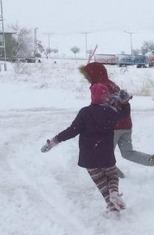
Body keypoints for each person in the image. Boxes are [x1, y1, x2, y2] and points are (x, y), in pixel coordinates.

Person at [41, 83, 129, 213]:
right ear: (106, 97)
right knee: (112, 176)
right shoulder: (110, 112)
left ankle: (112, 207)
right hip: (106, 154)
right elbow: (124, 114)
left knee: (100, 182)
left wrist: (54, 141)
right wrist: (125, 102)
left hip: (89, 157)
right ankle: (114, 194)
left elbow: (72, 131)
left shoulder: (85, 113)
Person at [80, 61, 154, 177]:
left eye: (88, 76)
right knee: (127, 153)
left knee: (102, 156)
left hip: (113, 127)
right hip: (125, 125)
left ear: (94, 74)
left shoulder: (100, 87)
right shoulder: (112, 84)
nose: (87, 79)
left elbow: (103, 108)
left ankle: (119, 178)